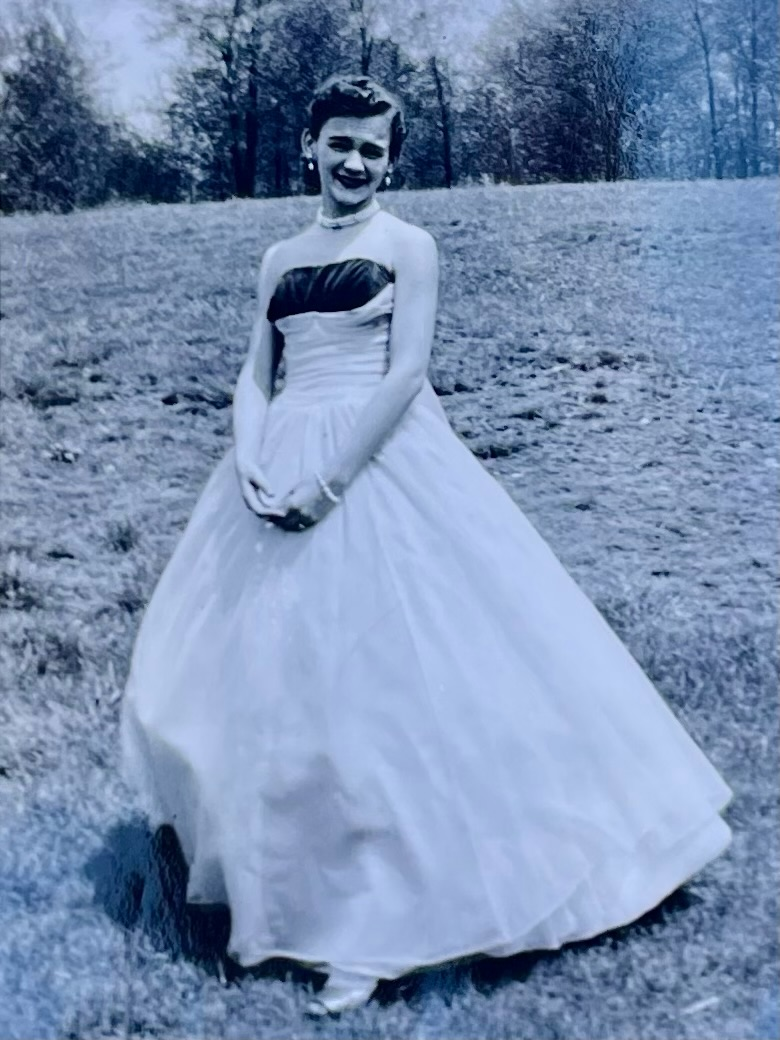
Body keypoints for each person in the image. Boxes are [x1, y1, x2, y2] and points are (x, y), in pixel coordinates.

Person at [120, 74, 734, 1018]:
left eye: (374, 148)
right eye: (341, 143)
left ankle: (381, 928)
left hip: (377, 464)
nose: (356, 161)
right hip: (272, 466)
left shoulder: (408, 245)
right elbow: (257, 371)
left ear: (392, 160)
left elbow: (406, 374)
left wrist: (329, 484)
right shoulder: (280, 253)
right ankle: (291, 884)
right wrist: (252, 460)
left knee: (388, 695)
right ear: (310, 146)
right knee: (275, 690)